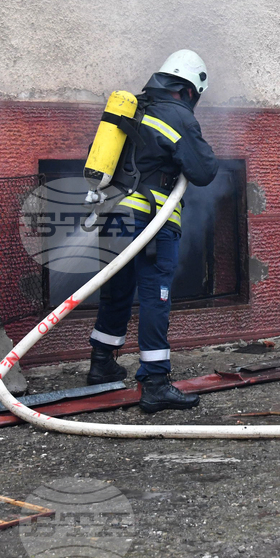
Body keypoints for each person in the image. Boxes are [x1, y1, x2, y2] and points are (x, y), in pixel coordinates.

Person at [86, 49, 219, 412]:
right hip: (150, 221)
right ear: (189, 90)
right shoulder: (177, 115)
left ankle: (101, 365)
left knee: (116, 287)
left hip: (112, 215)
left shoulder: (131, 111)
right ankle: (156, 382)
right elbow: (204, 172)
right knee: (155, 295)